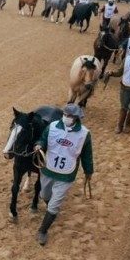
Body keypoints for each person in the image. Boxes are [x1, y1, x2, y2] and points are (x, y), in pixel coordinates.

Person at [33, 103, 93, 246]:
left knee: (54, 205)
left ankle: (43, 230)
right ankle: (51, 208)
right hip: (48, 168)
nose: (66, 117)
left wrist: (88, 171)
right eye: (65, 114)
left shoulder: (84, 134)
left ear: (77, 118)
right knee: (45, 195)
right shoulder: (52, 126)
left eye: (70, 116)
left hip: (66, 174)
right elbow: (43, 139)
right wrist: (39, 145)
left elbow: (87, 154)